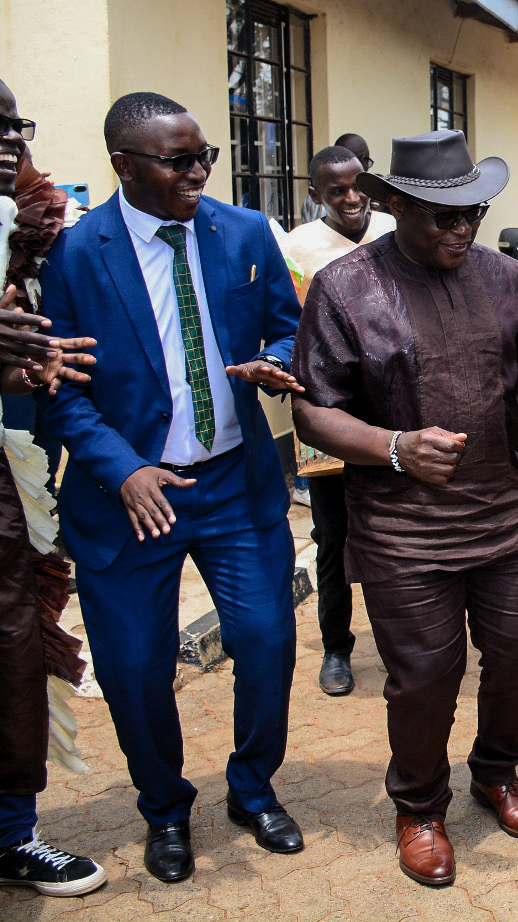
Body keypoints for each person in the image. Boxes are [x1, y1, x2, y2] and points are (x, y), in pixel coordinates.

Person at [291, 130, 518, 888]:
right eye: (439, 216)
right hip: (401, 522)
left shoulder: (507, 277)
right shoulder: (345, 287)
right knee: (425, 674)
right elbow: (313, 414)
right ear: (391, 204)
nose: (459, 229)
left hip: (500, 507)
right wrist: (394, 446)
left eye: (471, 214)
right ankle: (418, 806)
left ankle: (496, 772)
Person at [39, 92, 306, 883]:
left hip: (234, 483)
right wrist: (121, 467)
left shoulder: (245, 232)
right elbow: (60, 385)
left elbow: (288, 322)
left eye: (204, 157)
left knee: (265, 640)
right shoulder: (76, 254)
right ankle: (164, 808)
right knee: (132, 668)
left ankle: (252, 789)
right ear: (124, 164)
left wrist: (277, 358)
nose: (197, 172)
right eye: (177, 159)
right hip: (129, 499)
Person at [0, 81, 105, 898]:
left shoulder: (37, 233)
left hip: (16, 485)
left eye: (13, 125)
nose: (6, 141)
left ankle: (12, 834)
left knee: (13, 651)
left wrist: (38, 366)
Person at [275, 144, 396, 697]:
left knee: (399, 533)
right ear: (315, 193)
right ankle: (336, 647)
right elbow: (287, 325)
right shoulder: (297, 248)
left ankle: (403, 640)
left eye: (356, 186)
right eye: (335, 191)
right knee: (332, 536)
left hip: (397, 412)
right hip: (327, 413)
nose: (350, 199)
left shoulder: (397, 230)